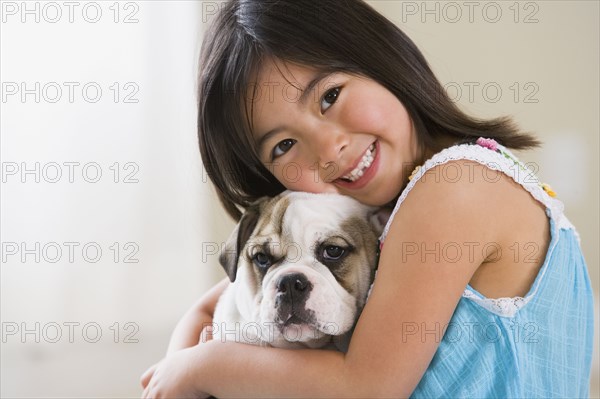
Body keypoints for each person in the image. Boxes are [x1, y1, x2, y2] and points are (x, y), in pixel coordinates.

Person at [141, 0, 594, 397]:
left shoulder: (454, 188)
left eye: (330, 96)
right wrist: (175, 375)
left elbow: (365, 387)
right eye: (283, 145)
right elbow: (206, 307)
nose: (327, 147)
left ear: (381, 58)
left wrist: (202, 367)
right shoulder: (380, 210)